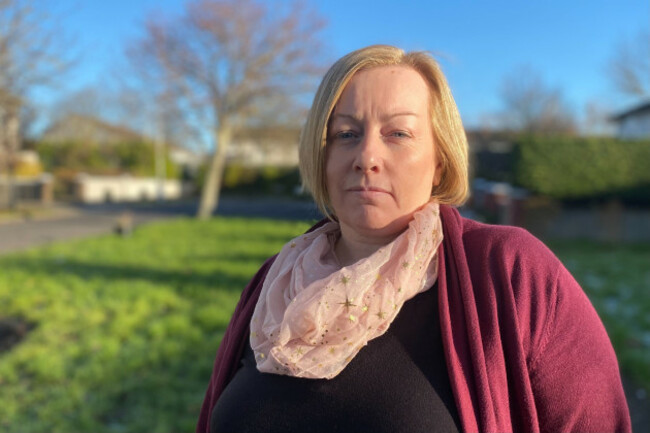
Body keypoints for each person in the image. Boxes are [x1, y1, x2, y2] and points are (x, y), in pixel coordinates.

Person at [197, 45, 631, 433]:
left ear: (440, 161)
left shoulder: (513, 273)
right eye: (345, 133)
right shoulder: (273, 283)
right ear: (321, 153)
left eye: (398, 133)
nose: (366, 157)